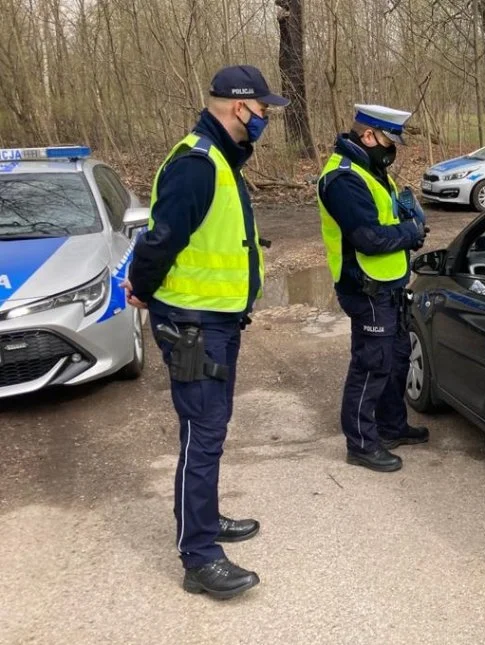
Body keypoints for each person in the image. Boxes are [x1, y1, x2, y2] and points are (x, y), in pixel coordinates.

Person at [121, 65, 289, 599]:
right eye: (263, 108)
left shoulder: (221, 159)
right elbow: (161, 238)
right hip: (193, 324)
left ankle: (205, 517)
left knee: (208, 429)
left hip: (214, 321)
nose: (266, 116)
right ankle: (198, 556)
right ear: (239, 108)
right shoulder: (198, 163)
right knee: (204, 431)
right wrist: (141, 288)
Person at [317, 105, 430, 473]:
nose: (392, 149)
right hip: (364, 288)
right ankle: (362, 444)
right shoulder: (343, 179)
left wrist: (409, 220)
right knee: (371, 364)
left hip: (389, 284)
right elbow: (367, 238)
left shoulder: (374, 170)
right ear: (368, 137)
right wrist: (410, 234)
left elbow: (388, 220)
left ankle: (391, 427)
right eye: (387, 141)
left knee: (396, 358)